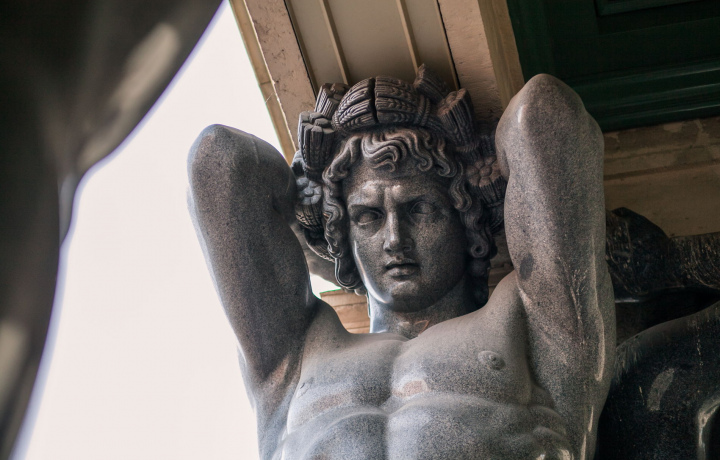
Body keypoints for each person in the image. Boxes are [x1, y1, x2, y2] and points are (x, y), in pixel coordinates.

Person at [188, 68, 615, 459]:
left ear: (465, 220)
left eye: (420, 209)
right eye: (368, 217)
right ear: (344, 236)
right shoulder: (298, 355)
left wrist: (470, 152)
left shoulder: (524, 319)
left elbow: (542, 113)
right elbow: (220, 159)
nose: (395, 239)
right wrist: (308, 185)